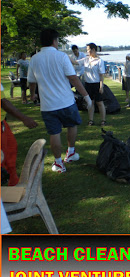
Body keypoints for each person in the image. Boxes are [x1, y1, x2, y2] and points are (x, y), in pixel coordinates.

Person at [27, 28, 92, 173]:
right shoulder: (61, 57)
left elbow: (31, 81)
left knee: (54, 133)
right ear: (54, 41)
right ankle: (70, 152)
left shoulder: (35, 59)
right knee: (71, 125)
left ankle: (58, 163)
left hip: (47, 105)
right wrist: (86, 96)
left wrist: (32, 95)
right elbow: (73, 78)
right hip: (66, 102)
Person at [2, 82, 38, 186]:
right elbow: (3, 102)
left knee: (10, 152)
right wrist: (24, 118)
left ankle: (13, 186)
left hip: (3, 123)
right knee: (2, 157)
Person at [71, 43, 107, 126]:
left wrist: (101, 86)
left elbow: (101, 74)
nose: (87, 51)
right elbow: (75, 62)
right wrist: (65, 57)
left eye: (88, 50)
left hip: (96, 84)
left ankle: (103, 120)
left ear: (93, 50)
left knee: (99, 102)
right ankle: (91, 120)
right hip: (88, 84)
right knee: (90, 102)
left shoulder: (99, 61)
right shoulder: (86, 59)